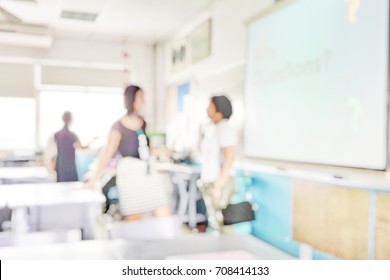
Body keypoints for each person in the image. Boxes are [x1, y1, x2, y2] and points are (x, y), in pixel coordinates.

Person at [88, 85, 172, 221]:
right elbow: (107, 153)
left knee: (163, 211)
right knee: (134, 216)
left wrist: (159, 151)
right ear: (131, 99)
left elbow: (143, 149)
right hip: (129, 174)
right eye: (140, 98)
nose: (143, 102)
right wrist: (94, 180)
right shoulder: (118, 126)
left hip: (147, 172)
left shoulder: (143, 123)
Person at [200, 95, 237, 233]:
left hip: (220, 184)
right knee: (215, 222)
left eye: (210, 106)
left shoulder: (225, 128)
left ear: (219, 109)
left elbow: (230, 158)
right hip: (211, 181)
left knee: (223, 223)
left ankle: (230, 252)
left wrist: (219, 184)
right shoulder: (212, 128)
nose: (207, 109)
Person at [54, 111, 87, 182]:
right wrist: (93, 141)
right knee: (71, 184)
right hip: (70, 163)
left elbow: (53, 151)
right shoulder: (73, 135)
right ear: (71, 120)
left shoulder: (57, 134)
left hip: (60, 162)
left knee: (61, 184)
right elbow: (81, 147)